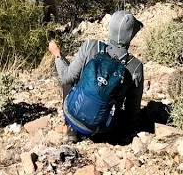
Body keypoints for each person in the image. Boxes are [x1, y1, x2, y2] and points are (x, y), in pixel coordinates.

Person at [48, 10, 144, 143]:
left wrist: (57, 55)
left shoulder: (91, 46)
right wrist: (127, 132)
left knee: (71, 75)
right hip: (103, 128)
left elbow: (66, 78)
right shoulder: (135, 66)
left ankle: (71, 129)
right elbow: (132, 109)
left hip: (73, 116)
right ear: (130, 35)